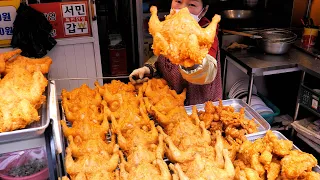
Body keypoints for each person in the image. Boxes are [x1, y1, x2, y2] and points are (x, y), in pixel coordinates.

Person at [129, 0, 221, 105]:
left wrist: (192, 62)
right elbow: (162, 57)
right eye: (178, 1)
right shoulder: (167, 28)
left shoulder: (205, 33)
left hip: (199, 106)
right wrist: (148, 69)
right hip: (171, 103)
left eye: (192, 5)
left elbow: (208, 71)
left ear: (204, 10)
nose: (183, 10)